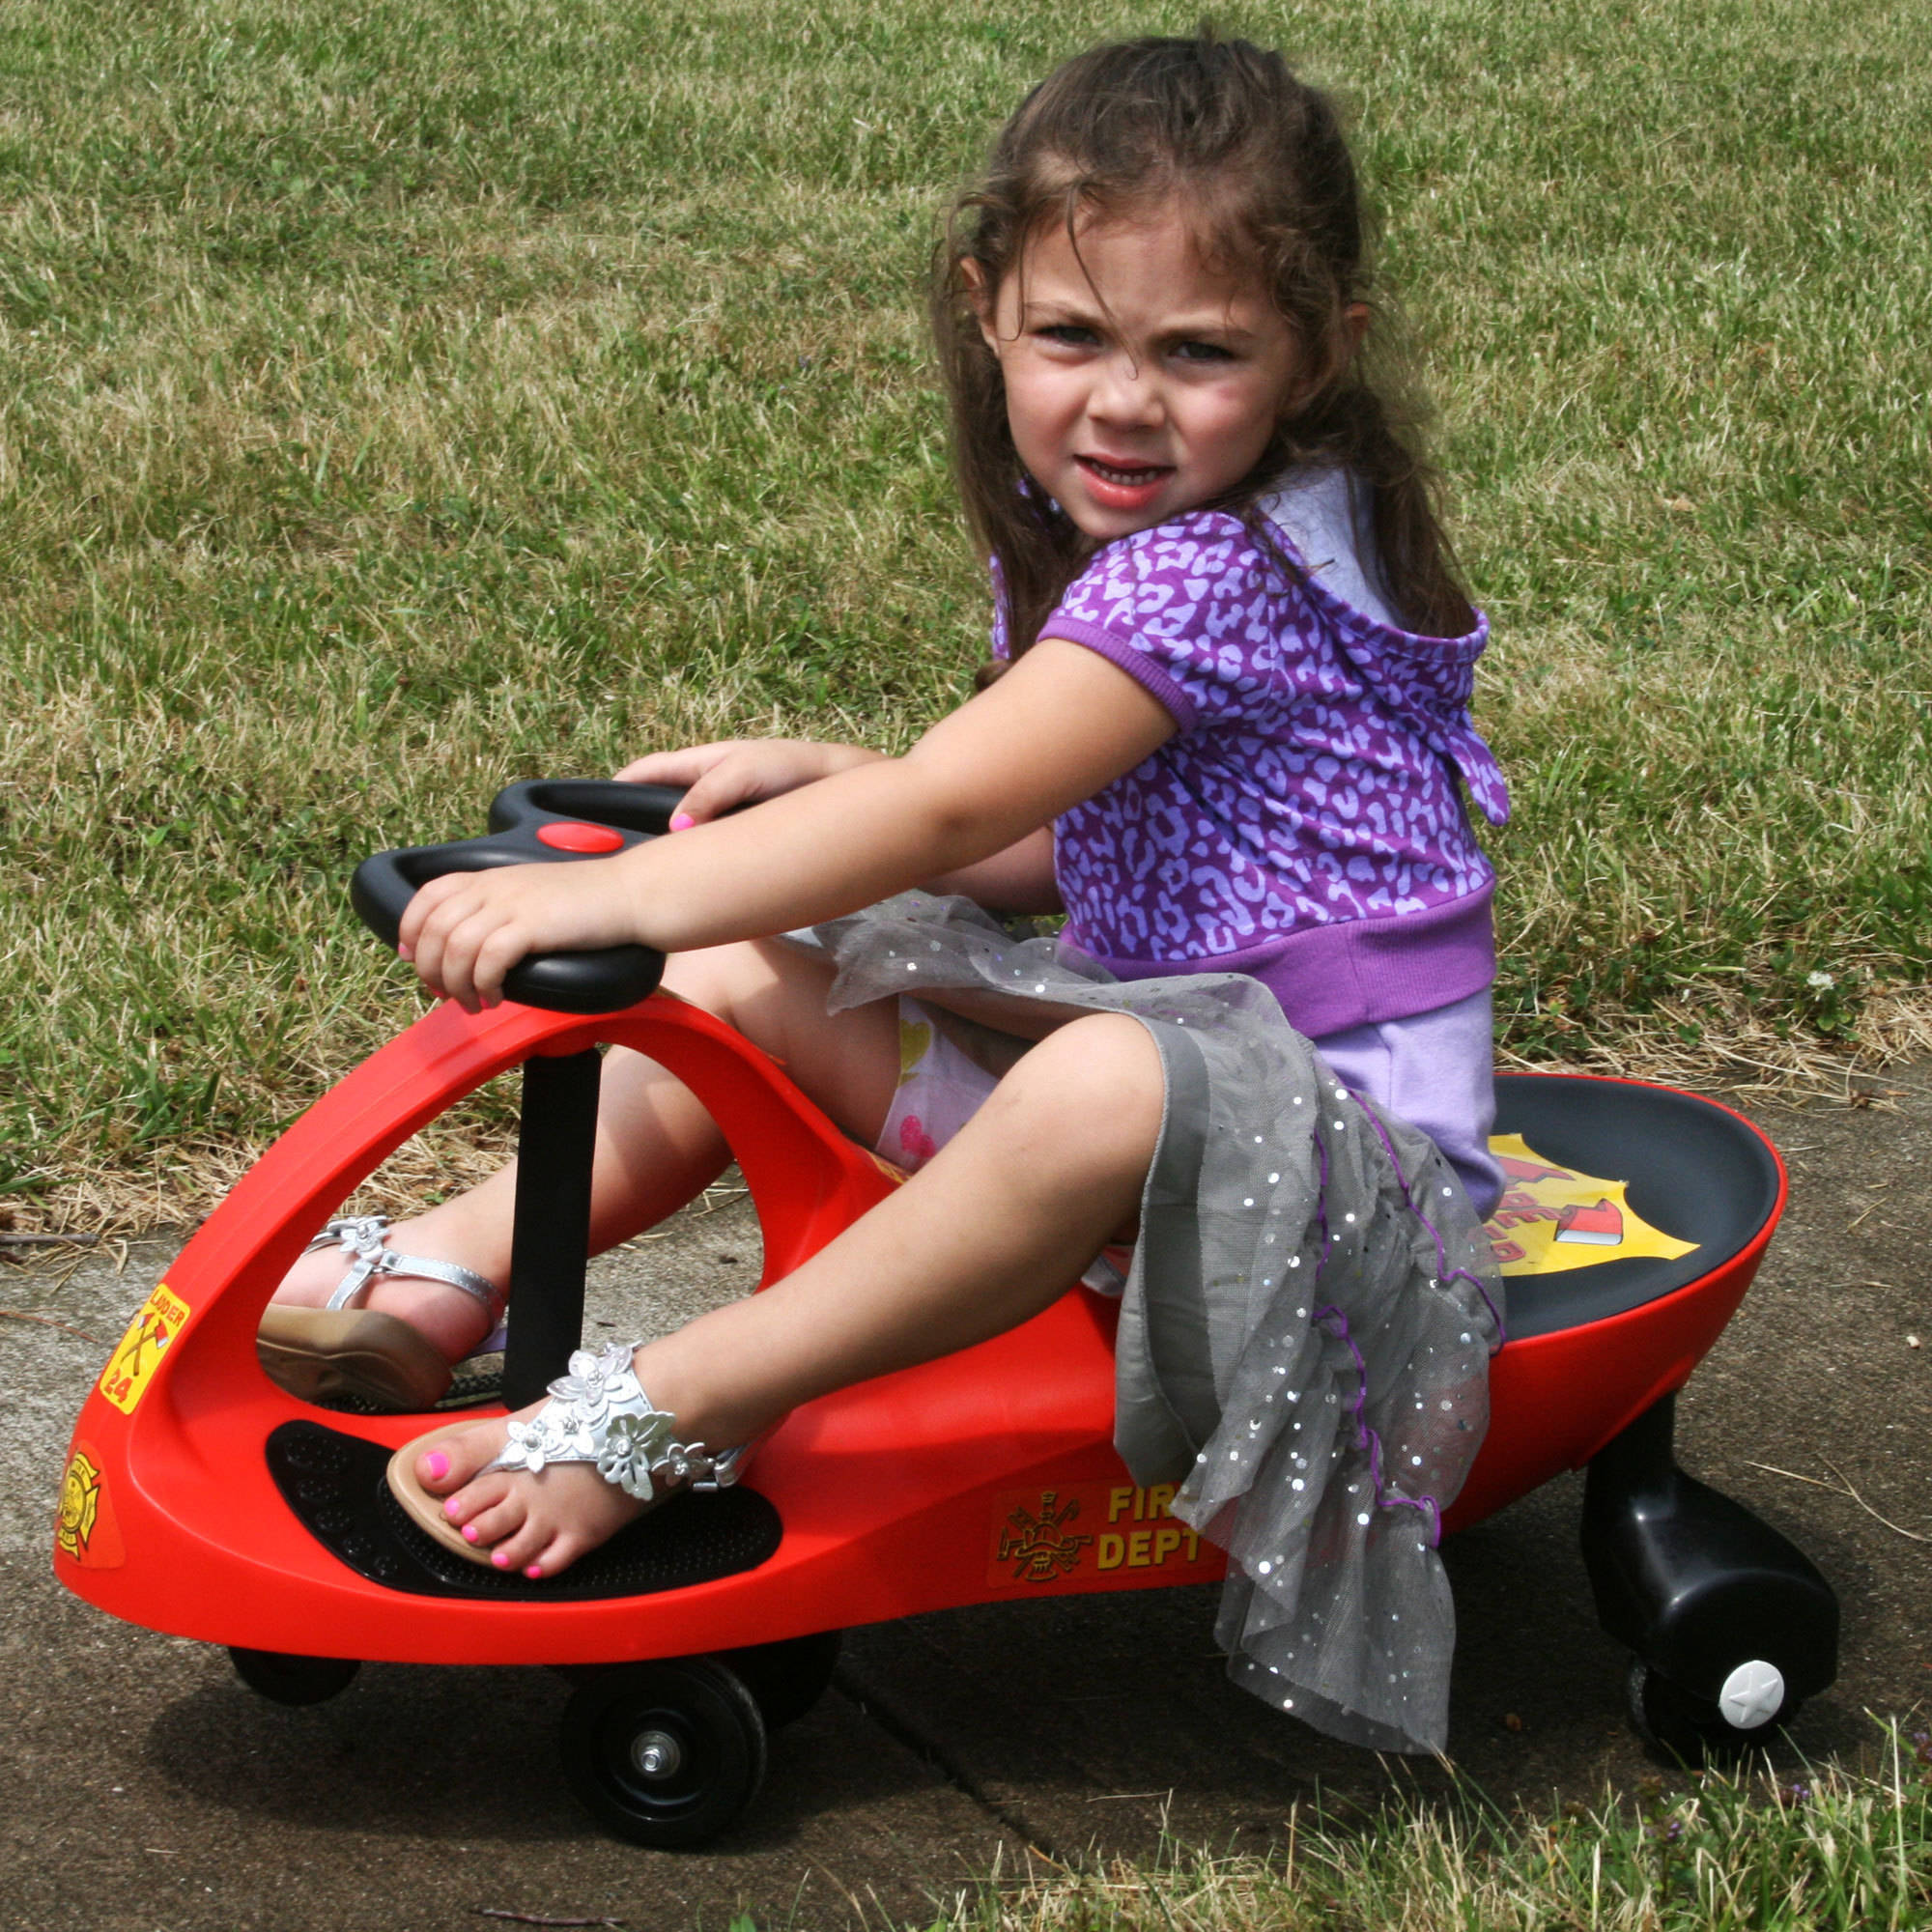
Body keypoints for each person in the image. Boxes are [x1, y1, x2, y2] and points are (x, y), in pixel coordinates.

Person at [259, 35, 1509, 1753]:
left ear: (1315, 360)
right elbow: (1050, 834)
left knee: (1065, 1065)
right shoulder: (1174, 530)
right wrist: (825, 800)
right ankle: (444, 1281)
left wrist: (634, 893)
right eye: (1073, 336)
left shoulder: (1217, 573)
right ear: (986, 304)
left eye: (1197, 352)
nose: (1124, 401)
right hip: (1164, 1146)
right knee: (756, 980)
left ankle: (693, 1399)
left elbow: (948, 816)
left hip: (1326, 1218)